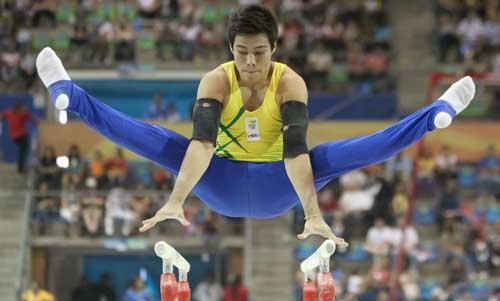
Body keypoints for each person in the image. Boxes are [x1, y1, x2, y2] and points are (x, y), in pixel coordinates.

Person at [36, 5, 475, 246]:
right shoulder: (216, 80)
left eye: (259, 52)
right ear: (231, 47)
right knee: (167, 144)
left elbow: (296, 152)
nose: (249, 62)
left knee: (338, 154)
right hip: (219, 182)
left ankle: (434, 114)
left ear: (274, 48)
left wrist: (314, 213)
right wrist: (176, 199)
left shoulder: (290, 83)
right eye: (242, 52)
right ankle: (69, 94)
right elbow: (203, 145)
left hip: (278, 186)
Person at [0, 101, 37, 173]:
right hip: (22, 135)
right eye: (23, 107)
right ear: (20, 107)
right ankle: (21, 168)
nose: (25, 109)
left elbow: (1, 116)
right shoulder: (22, 113)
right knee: (22, 151)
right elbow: (33, 119)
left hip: (14, 136)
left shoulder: (9, 112)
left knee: (21, 151)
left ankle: (21, 167)